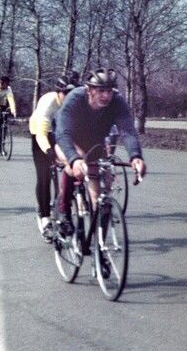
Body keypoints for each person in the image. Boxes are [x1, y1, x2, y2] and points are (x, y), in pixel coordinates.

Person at [53, 68, 146, 240]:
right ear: (89, 90)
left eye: (109, 91)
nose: (106, 96)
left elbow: (127, 131)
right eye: (101, 91)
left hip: (94, 141)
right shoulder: (75, 98)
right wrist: (74, 159)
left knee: (101, 189)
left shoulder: (117, 101)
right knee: (74, 167)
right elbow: (63, 133)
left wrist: (135, 156)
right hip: (67, 138)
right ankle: (63, 210)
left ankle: (100, 241)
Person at [28, 75, 78, 237]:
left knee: (71, 168)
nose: (68, 97)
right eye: (65, 93)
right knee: (44, 175)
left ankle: (63, 207)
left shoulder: (74, 103)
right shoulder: (49, 103)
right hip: (40, 133)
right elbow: (41, 134)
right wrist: (49, 151)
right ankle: (44, 217)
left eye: (71, 93)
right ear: (58, 92)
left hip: (60, 134)